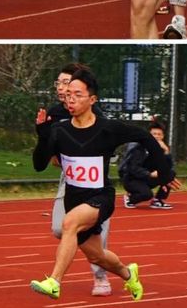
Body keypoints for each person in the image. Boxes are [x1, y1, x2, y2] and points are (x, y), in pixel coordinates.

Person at [30, 68, 181, 301]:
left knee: (68, 224)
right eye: (68, 94)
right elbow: (39, 165)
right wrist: (43, 137)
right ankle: (128, 273)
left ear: (92, 99)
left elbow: (144, 136)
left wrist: (164, 172)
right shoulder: (58, 130)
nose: (71, 99)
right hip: (74, 198)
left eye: (77, 95)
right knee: (97, 256)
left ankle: (54, 282)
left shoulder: (108, 129)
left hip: (100, 197)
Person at [36, 63, 112, 297]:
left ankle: (100, 275)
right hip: (69, 178)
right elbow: (46, 147)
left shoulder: (96, 115)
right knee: (60, 228)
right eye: (58, 83)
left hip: (95, 182)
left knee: (88, 228)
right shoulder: (53, 113)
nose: (61, 88)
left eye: (66, 83)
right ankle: (110, 262)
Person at [120, 120, 176, 209]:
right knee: (147, 194)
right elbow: (133, 168)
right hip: (132, 179)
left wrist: (166, 152)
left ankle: (157, 200)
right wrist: (149, 174)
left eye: (159, 134)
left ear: (163, 136)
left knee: (170, 173)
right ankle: (130, 198)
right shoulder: (138, 148)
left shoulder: (162, 149)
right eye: (154, 134)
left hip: (147, 178)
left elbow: (169, 167)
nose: (157, 136)